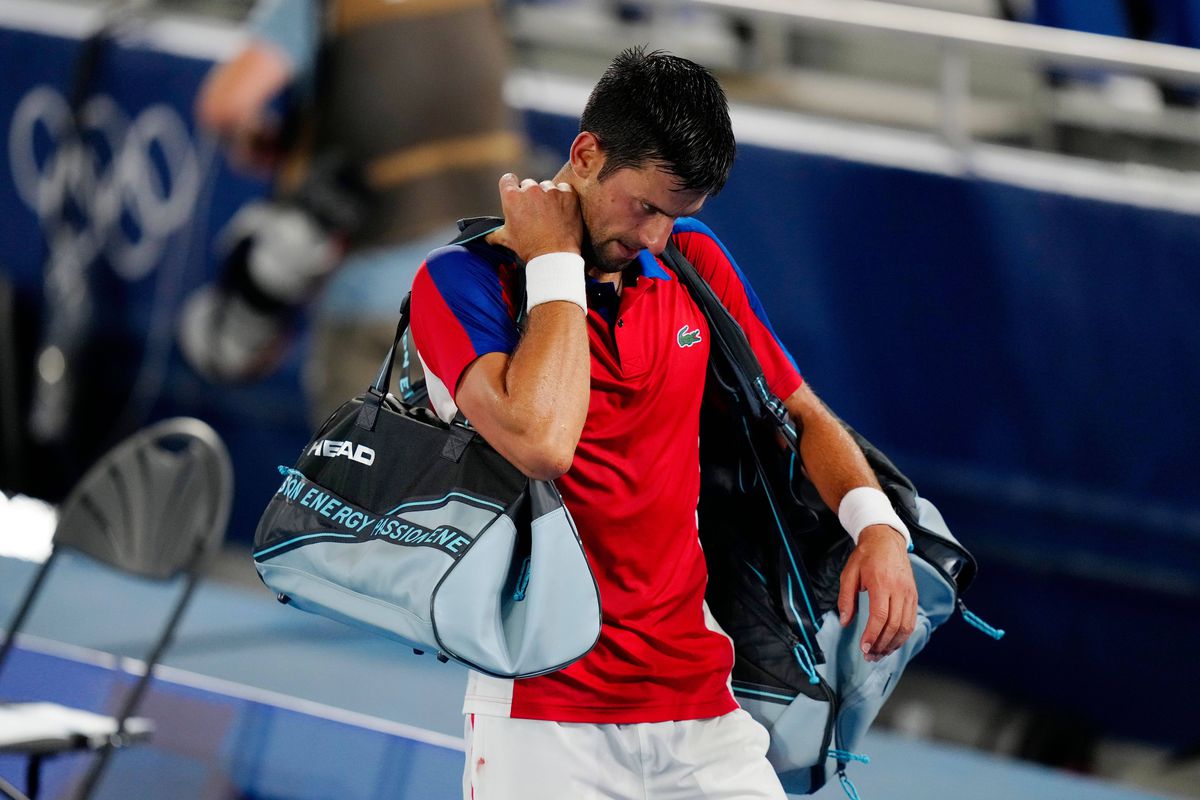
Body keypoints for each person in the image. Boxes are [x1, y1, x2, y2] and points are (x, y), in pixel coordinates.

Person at [409, 47, 918, 799]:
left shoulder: (691, 263)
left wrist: (877, 526)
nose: (654, 238)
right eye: (645, 206)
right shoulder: (460, 283)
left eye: (676, 217)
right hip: (543, 716)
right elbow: (542, 440)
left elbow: (798, 412)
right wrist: (553, 259)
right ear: (585, 155)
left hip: (702, 712)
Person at [188, 0, 522, 424]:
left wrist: (264, 142)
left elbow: (226, 104)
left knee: (351, 481)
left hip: (377, 304)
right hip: (485, 300)